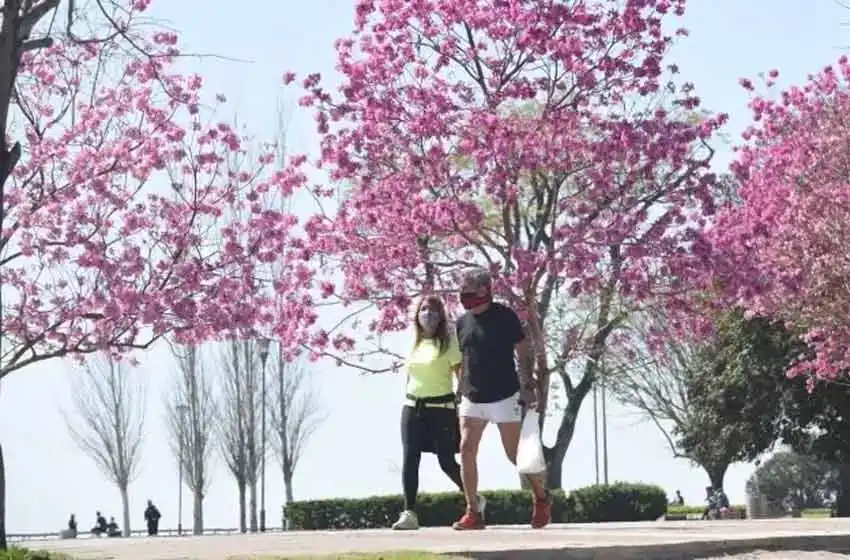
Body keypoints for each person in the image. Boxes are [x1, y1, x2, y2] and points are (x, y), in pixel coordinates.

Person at [452, 268, 551, 530]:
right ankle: (473, 511)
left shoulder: (505, 317)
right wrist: (459, 388)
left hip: (504, 395)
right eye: (462, 291)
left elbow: (523, 350)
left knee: (514, 455)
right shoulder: (462, 323)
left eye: (470, 291)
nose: (465, 296)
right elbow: (464, 359)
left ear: (485, 290)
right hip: (472, 397)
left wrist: (527, 383)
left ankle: (540, 497)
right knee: (466, 449)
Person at [392, 295, 486, 530]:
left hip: (441, 409)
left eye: (433, 311)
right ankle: (409, 512)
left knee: (446, 461)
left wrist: (466, 403)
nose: (427, 314)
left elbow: (461, 375)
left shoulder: (449, 343)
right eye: (423, 309)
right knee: (410, 458)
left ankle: (474, 498)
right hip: (413, 407)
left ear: (441, 316)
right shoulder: (414, 342)